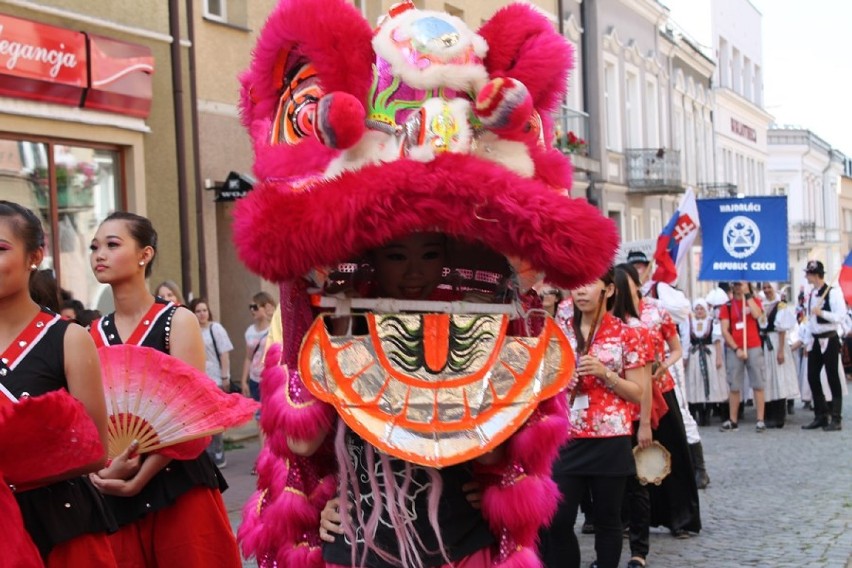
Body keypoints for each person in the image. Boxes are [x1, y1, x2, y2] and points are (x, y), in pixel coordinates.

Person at [87, 211, 241, 567]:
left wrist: (140, 476)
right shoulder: (92, 332)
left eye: (112, 244)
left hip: (176, 479)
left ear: (145, 254)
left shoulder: (177, 320)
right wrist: (108, 473)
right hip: (116, 483)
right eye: (94, 246)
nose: (99, 254)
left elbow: (192, 417)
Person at [0, 201, 117, 566]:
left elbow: (96, 449)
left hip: (57, 524)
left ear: (36, 255)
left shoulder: (68, 338)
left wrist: (17, 472)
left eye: (1, 248)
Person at [542, 267, 644, 568]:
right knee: (557, 520)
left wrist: (606, 374)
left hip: (610, 438)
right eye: (576, 285)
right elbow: (540, 383)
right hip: (566, 436)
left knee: (607, 520)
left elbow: (639, 392)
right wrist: (558, 381)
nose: (581, 291)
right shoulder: (557, 332)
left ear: (608, 290)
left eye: (589, 284)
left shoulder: (629, 334)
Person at [189, 297, 234, 468]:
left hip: (215, 378)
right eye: (198, 311)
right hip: (198, 379)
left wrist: (225, 376)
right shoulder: (192, 331)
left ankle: (218, 452)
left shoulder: (216, 328)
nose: (202, 314)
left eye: (204, 310)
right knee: (203, 418)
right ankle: (207, 453)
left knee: (215, 417)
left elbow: (224, 353)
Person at [802, 260, 845, 431]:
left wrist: (823, 313)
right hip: (815, 339)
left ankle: (836, 418)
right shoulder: (811, 294)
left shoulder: (833, 293)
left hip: (829, 339)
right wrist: (807, 341)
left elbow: (840, 317)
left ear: (815, 274)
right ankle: (821, 415)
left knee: (832, 377)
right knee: (812, 376)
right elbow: (810, 321)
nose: (806, 276)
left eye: (808, 273)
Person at [719, 281, 767, 432]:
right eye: (736, 284)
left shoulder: (754, 301)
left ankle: (760, 419)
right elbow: (725, 330)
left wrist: (748, 295)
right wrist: (736, 348)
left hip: (753, 345)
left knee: (758, 383)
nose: (738, 287)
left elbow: (757, 314)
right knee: (734, 384)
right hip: (735, 348)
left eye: (741, 284)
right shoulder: (726, 306)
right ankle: (733, 419)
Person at [759, 283, 799, 428]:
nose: (766, 290)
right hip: (764, 342)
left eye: (769, 287)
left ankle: (779, 416)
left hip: (776, 342)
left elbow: (782, 330)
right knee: (768, 378)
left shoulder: (780, 305)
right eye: (764, 288)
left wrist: (781, 350)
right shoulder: (761, 304)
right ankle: (768, 414)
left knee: (778, 377)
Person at [684, 298, 727, 426]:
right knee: (696, 383)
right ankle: (698, 412)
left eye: (701, 308)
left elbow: (717, 341)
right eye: (697, 309)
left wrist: (719, 357)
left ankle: (708, 412)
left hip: (709, 354)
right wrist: (685, 358)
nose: (699, 311)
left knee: (709, 382)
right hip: (695, 355)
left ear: (706, 309)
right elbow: (686, 341)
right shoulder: (689, 323)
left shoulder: (712, 322)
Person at [240, 291, 276, 405]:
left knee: (270, 412)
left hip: (270, 379)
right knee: (258, 414)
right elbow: (248, 358)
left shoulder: (274, 329)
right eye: (250, 307)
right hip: (254, 379)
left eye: (255, 307)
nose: (252, 310)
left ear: (266, 307)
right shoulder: (250, 331)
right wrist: (243, 381)